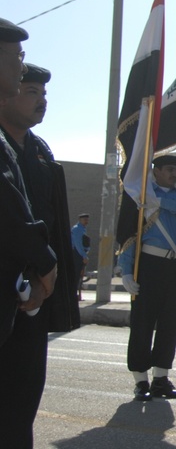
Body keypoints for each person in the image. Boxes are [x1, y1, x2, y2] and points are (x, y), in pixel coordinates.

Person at [0, 49, 78, 449]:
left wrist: (46, 284)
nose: (40, 100)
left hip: (35, 298)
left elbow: (49, 223)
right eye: (31, 91)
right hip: (7, 288)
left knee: (21, 404)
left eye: (44, 93)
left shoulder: (42, 154)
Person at [117, 154, 176, 401]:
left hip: (175, 266)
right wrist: (126, 271)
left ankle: (161, 379)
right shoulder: (140, 197)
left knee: (170, 323)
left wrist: (159, 201)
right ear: (156, 171)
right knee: (143, 322)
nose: (174, 174)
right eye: (169, 170)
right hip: (150, 265)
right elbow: (130, 234)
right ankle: (141, 381)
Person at [70, 213, 90, 300]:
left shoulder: (82, 229)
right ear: (80, 220)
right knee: (76, 276)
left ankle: (75, 294)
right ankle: (73, 295)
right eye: (84, 219)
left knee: (78, 275)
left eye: (87, 219)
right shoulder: (77, 229)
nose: (86, 221)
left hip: (79, 254)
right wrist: (84, 256)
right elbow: (78, 244)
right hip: (77, 255)